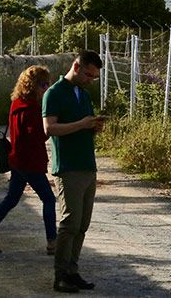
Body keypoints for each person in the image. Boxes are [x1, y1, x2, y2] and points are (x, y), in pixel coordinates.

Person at [0, 66, 58, 255]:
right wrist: (50, 130)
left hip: (17, 160)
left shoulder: (17, 103)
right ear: (34, 86)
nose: (47, 88)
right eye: (44, 84)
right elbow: (35, 135)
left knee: (11, 199)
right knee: (48, 199)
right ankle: (52, 242)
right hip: (30, 162)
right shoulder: (32, 109)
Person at [43, 51, 104, 294]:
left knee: (82, 224)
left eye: (95, 77)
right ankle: (60, 275)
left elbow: (82, 127)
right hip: (68, 167)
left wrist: (93, 127)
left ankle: (72, 270)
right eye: (88, 74)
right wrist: (82, 124)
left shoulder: (85, 94)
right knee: (69, 224)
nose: (90, 80)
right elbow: (49, 128)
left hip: (88, 165)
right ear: (76, 67)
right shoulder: (54, 93)